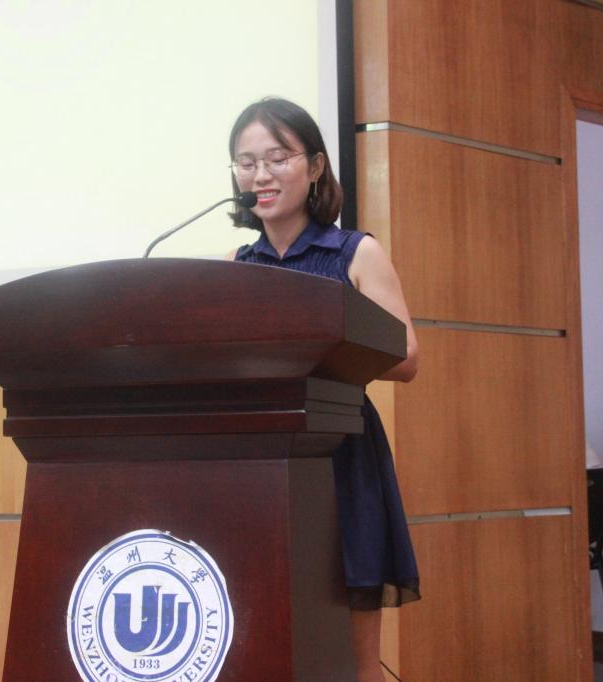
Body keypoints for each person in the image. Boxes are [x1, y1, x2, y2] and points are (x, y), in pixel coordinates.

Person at [226, 97, 420, 682]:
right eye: (246, 162)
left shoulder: (355, 254)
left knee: (353, 653)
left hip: (340, 451)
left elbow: (407, 356)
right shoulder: (236, 265)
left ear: (314, 167)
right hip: (261, 456)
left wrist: (319, 352)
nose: (261, 175)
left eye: (277, 158)